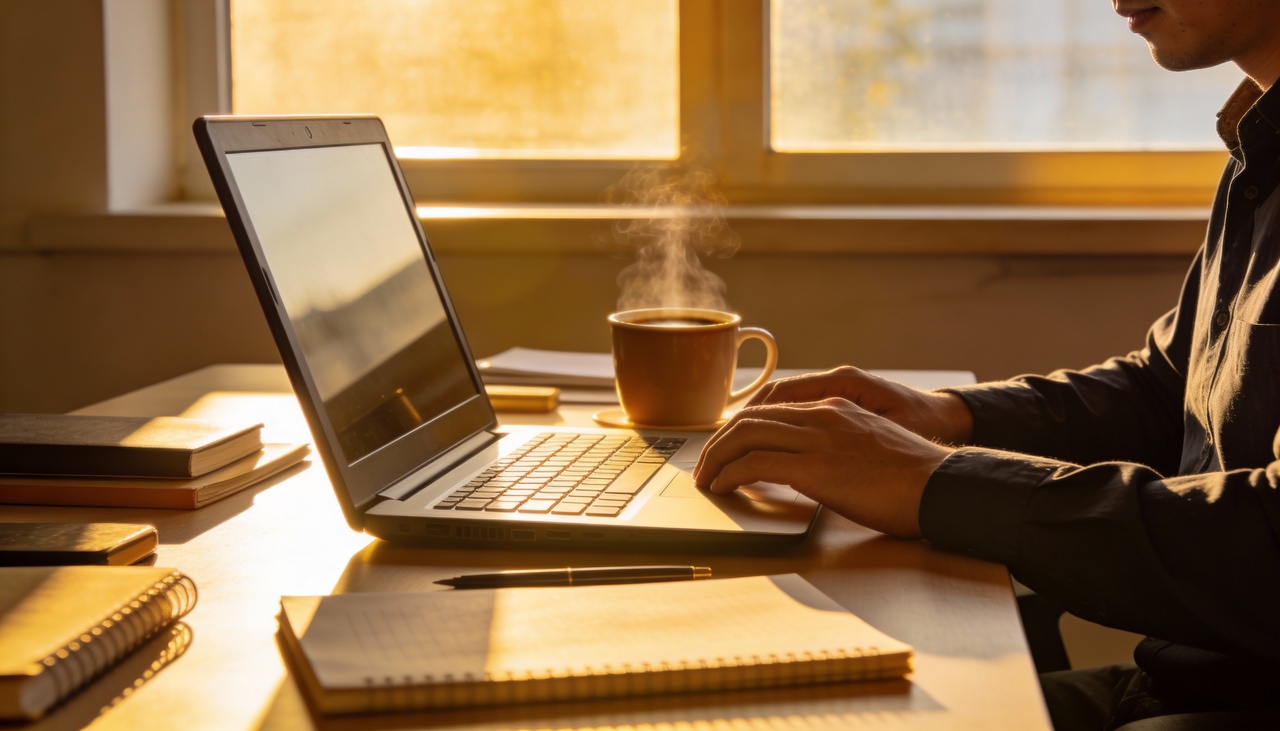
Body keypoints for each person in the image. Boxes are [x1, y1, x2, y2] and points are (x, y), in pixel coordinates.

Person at [693, 2, 1280, 729]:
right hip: (1180, 684)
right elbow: (1171, 391)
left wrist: (935, 479)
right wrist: (947, 416)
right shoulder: (1262, 146)